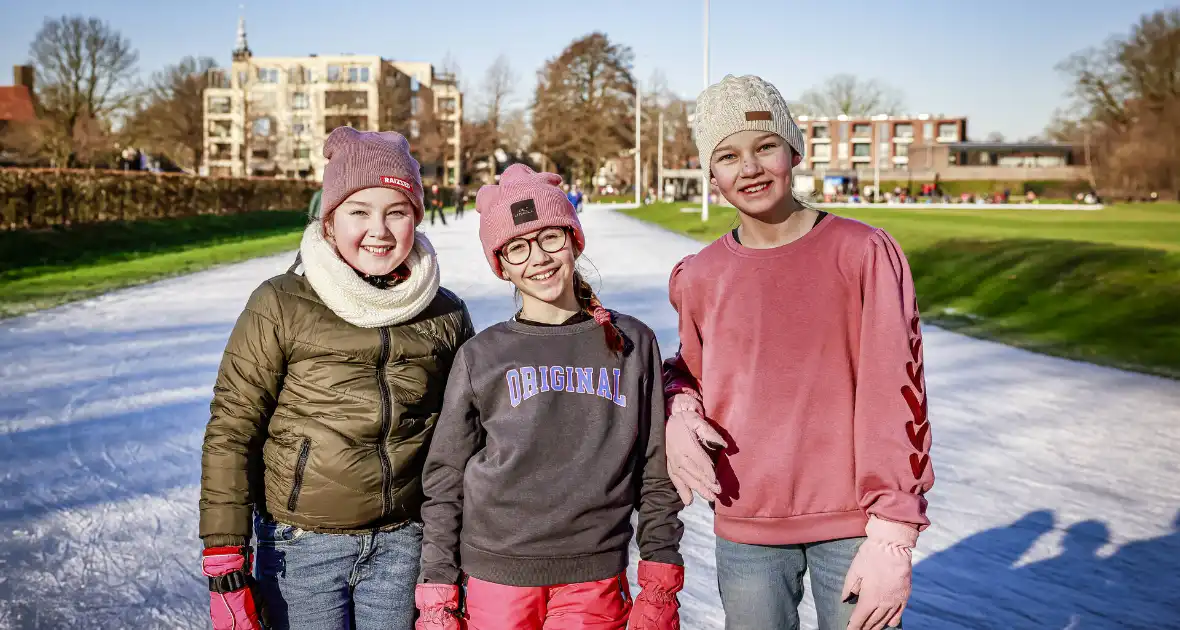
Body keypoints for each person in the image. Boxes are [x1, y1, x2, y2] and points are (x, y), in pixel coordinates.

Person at [660, 75, 935, 630]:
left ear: (794, 151)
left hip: (855, 524)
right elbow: (692, 369)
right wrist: (679, 405)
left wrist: (895, 530)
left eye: (765, 148)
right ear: (712, 174)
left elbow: (896, 391)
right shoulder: (702, 274)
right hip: (747, 521)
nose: (750, 168)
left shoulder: (861, 253)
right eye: (729, 156)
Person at [199, 127, 474, 630]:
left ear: (416, 216)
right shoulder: (281, 302)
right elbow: (233, 428)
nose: (380, 230)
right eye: (359, 212)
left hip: (404, 542)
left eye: (397, 211)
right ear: (329, 220)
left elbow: (464, 440)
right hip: (302, 548)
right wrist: (224, 553)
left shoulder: (444, 313)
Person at [414, 164, 685, 630]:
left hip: (593, 574)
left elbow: (656, 469)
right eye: (517, 248)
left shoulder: (631, 343)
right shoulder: (483, 355)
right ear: (501, 265)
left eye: (550, 239)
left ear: (574, 239)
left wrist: (660, 579)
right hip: (496, 573)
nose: (537, 257)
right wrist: (437, 589)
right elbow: (446, 479)